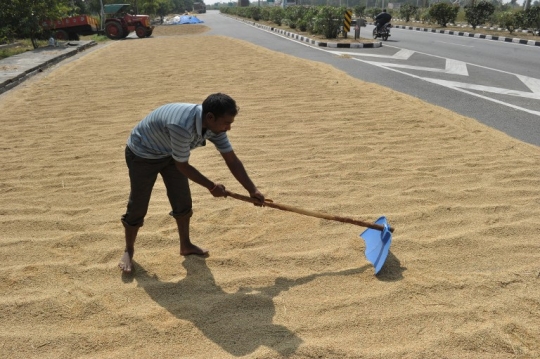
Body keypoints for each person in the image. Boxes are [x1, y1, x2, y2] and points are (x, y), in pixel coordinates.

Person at [118, 93, 265, 273]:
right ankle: (129, 249)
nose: (229, 128)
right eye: (227, 123)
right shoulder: (181, 125)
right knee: (139, 204)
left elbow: (232, 160)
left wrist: (252, 190)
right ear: (210, 117)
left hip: (170, 153)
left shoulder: (214, 127)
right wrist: (211, 186)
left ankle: (185, 245)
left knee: (182, 199)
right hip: (142, 153)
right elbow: (182, 165)